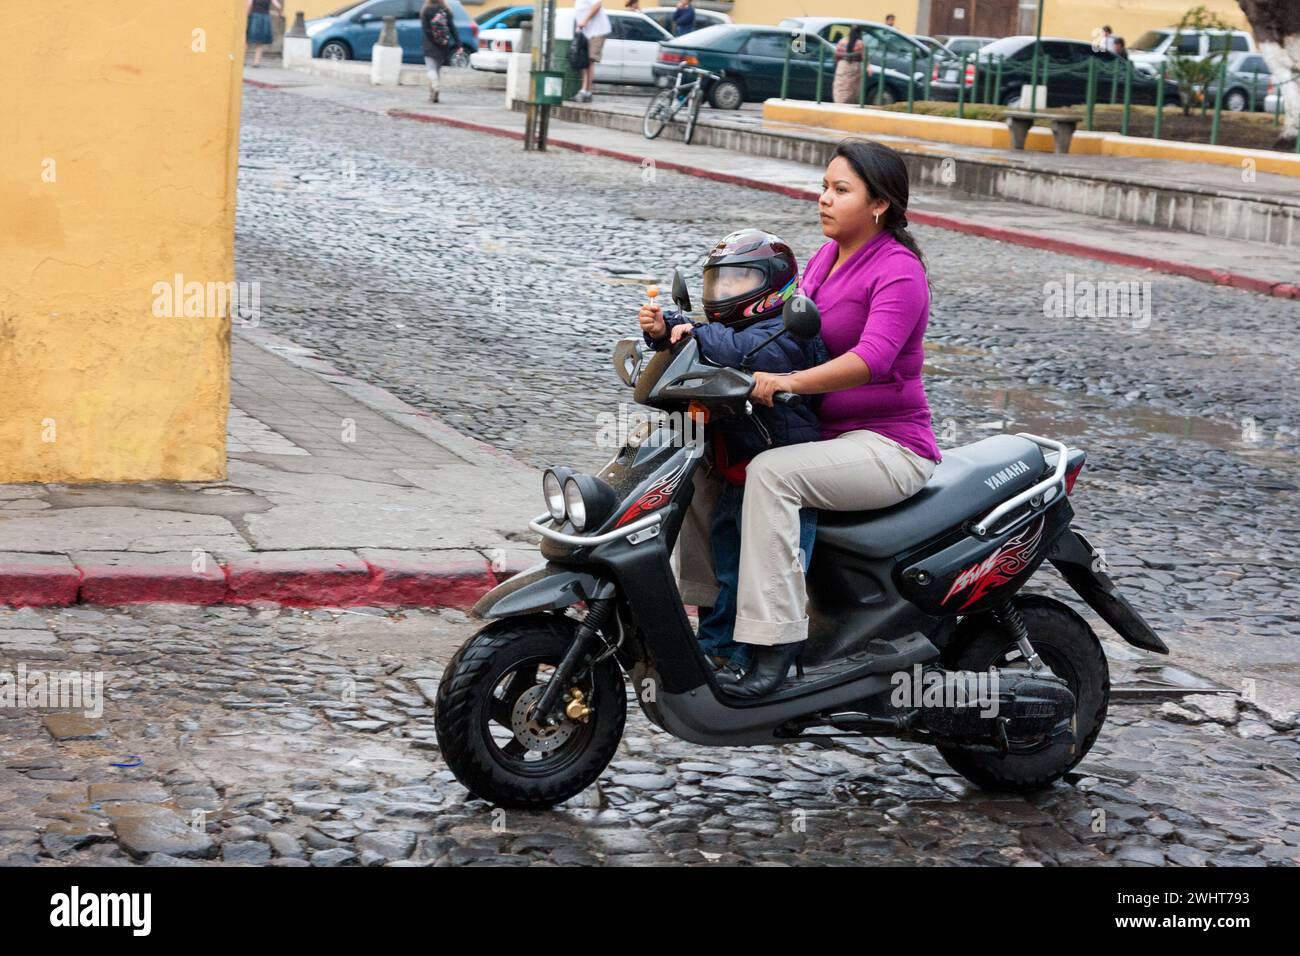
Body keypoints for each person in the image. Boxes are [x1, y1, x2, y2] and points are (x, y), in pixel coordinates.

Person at [715, 140, 942, 700]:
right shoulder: (823, 258)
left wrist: (788, 383)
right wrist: (684, 334)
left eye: (841, 190)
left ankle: (776, 645)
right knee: (710, 456)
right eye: (824, 186)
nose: (824, 199)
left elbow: (871, 360)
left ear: (879, 204)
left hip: (889, 446)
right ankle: (718, 635)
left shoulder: (898, 271)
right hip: (822, 436)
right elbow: (764, 327)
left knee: (771, 473)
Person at [638, 231, 825, 672]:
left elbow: (739, 350)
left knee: (762, 574)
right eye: (718, 282)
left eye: (738, 280)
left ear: (771, 285)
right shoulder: (732, 329)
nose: (723, 292)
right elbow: (708, 340)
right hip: (737, 475)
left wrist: (692, 333)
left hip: (783, 478)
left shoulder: (784, 331)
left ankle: (754, 655)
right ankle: (716, 645)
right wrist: (665, 328)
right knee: (727, 569)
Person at [574, 0, 612, 102]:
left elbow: (597, 4)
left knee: (589, 61)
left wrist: (585, 20)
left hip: (598, 31)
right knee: (585, 62)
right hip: (588, 32)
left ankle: (586, 92)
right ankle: (585, 91)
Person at [420, 0, 457, 103]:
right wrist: (458, 43)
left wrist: (433, 41)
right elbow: (452, 28)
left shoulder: (426, 10)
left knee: (431, 69)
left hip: (430, 44)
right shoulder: (446, 10)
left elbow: (426, 30)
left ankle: (435, 88)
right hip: (443, 44)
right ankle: (433, 95)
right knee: (437, 70)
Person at [833, 26, 865, 104]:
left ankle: (839, 102)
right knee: (851, 87)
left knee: (840, 86)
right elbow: (863, 57)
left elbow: (836, 55)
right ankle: (847, 104)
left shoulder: (842, 41)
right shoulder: (860, 43)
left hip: (842, 65)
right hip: (855, 65)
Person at [246, 0, 282, 68]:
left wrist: (247, 15)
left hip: (255, 17)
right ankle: (256, 62)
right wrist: (280, 14)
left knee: (247, 39)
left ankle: (242, 60)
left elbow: (249, 5)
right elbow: (278, 6)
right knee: (259, 42)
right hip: (265, 18)